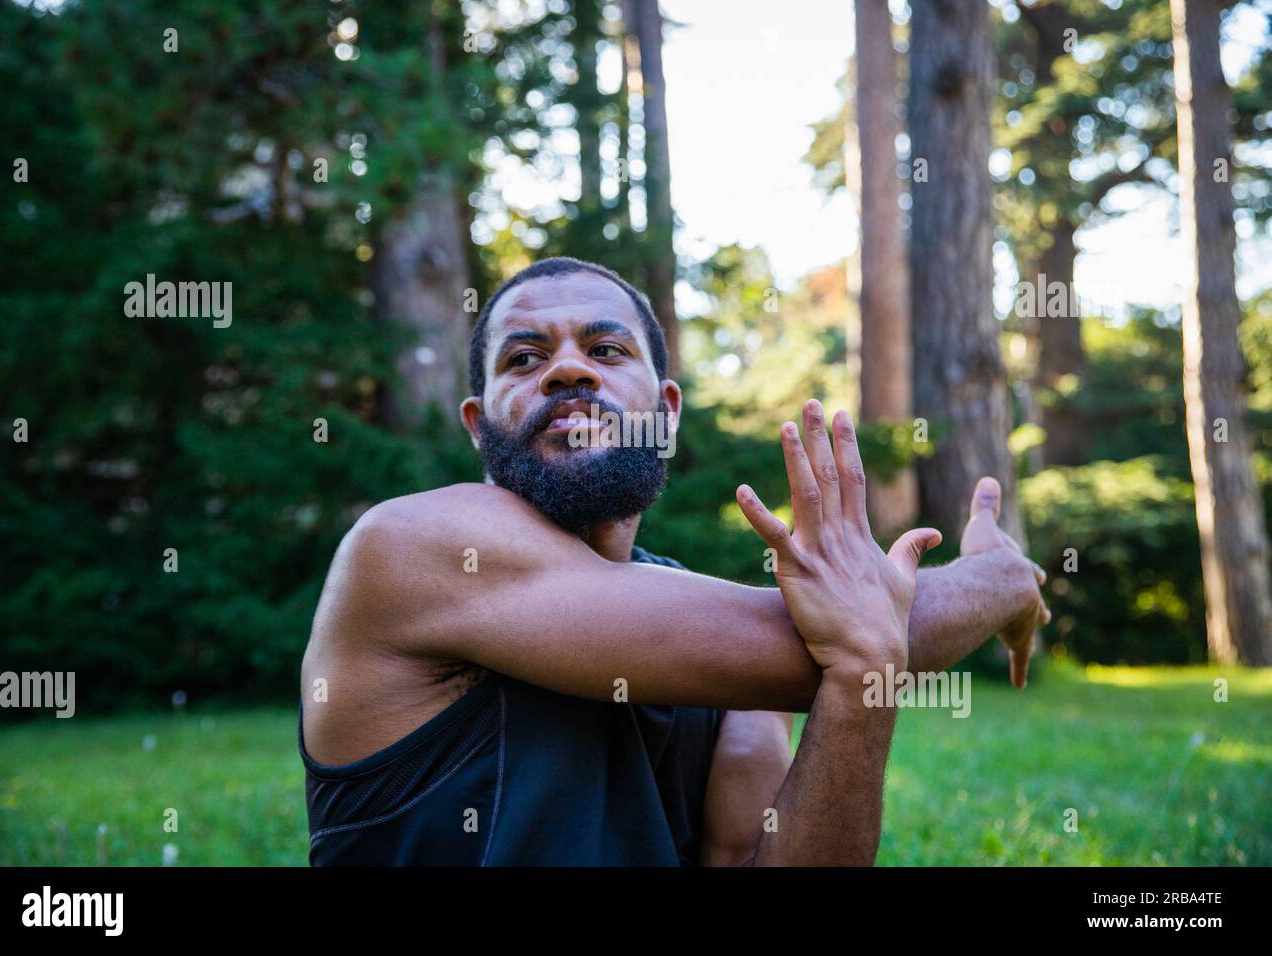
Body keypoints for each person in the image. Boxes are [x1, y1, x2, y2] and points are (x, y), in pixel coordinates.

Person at [299, 256, 1048, 866]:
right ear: (476, 423)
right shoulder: (409, 546)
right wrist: (1000, 580)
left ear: (666, 411)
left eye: (605, 349)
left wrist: (859, 673)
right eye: (525, 358)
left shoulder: (715, 653)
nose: (567, 373)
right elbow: (824, 642)